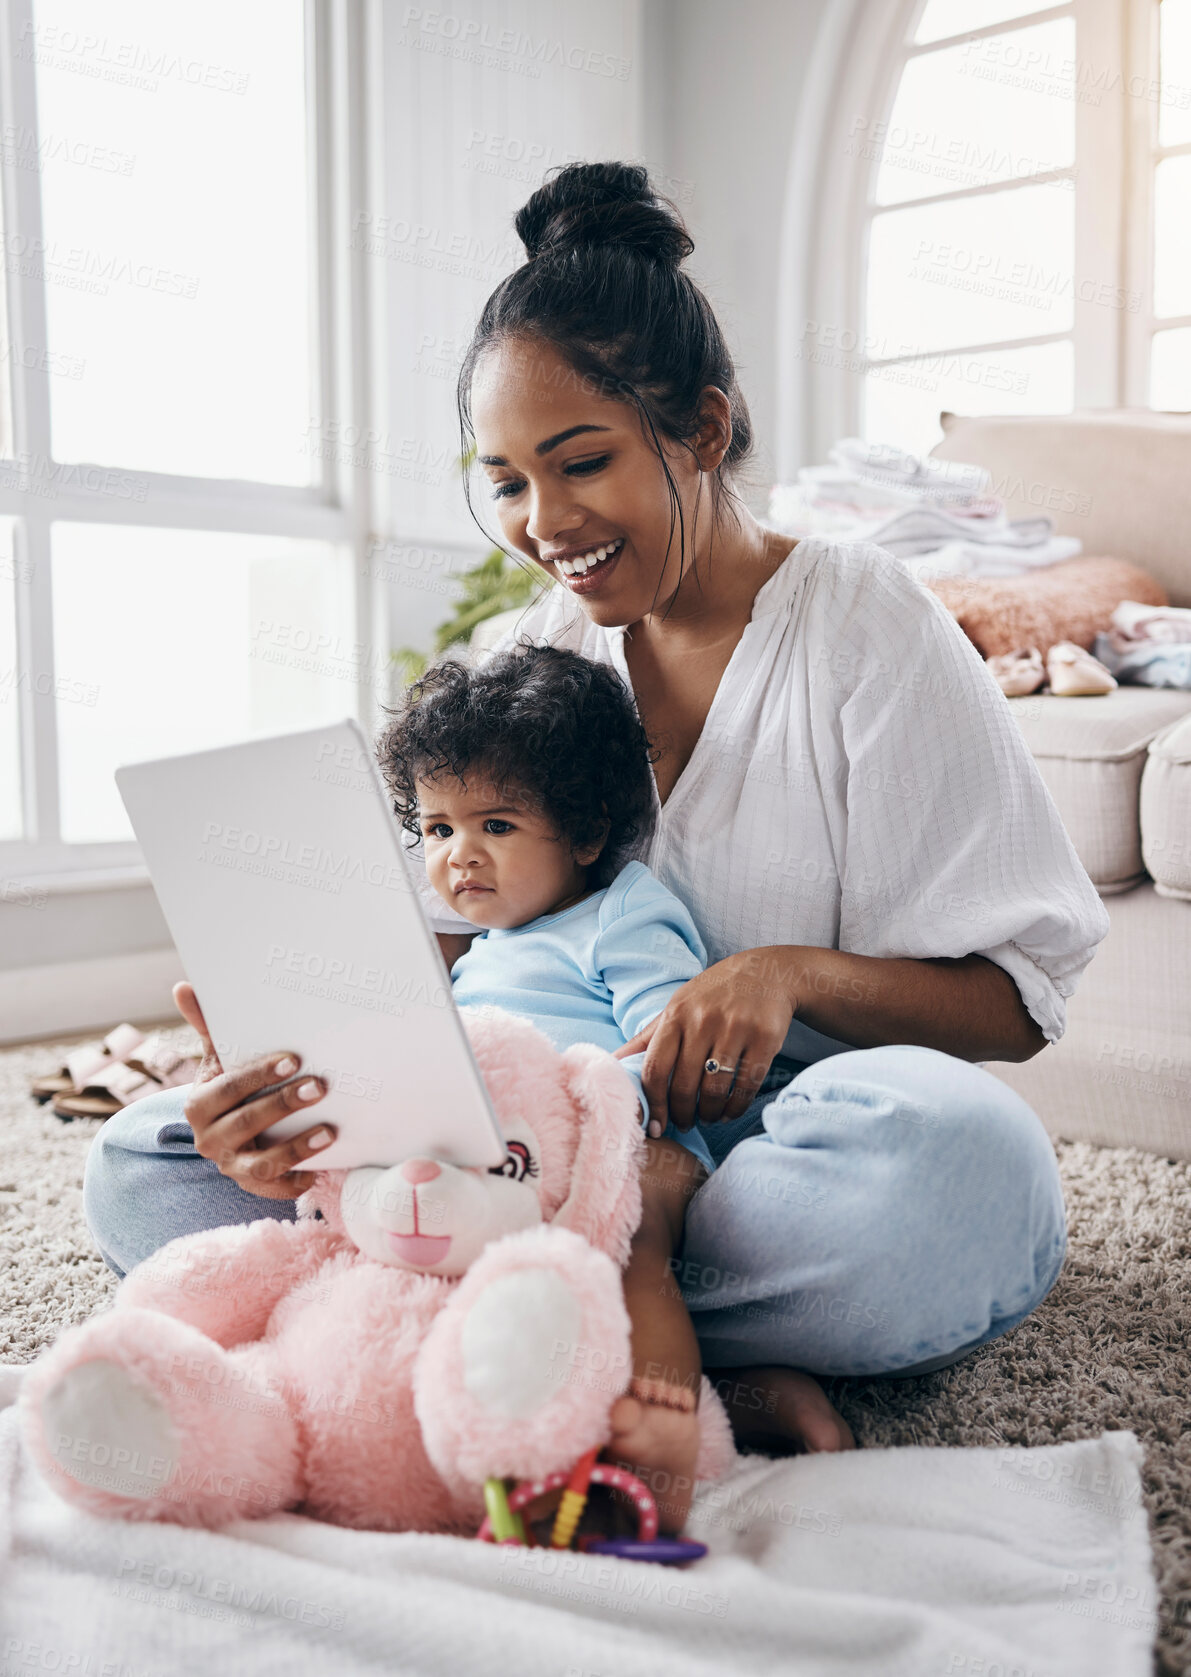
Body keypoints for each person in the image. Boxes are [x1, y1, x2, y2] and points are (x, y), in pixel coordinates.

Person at [84, 160, 1108, 1489]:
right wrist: (293, 1074)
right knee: (141, 1166)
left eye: (581, 464)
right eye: (506, 480)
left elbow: (1015, 1000)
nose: (545, 524)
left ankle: (471, 1310)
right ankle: (606, 1327)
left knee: (950, 1161)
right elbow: (453, 955)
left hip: (758, 1152)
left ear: (700, 428)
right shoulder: (526, 653)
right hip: (521, 1143)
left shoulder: (868, 626)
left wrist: (782, 976)